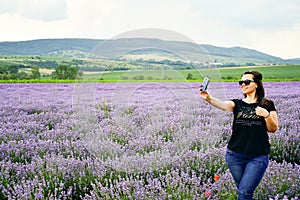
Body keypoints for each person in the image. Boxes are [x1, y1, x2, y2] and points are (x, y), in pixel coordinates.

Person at [199, 70, 278, 200]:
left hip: (258, 156)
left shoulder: (267, 104)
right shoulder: (237, 104)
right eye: (241, 82)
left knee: (245, 192)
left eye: (246, 82)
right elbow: (223, 105)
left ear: (256, 84)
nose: (243, 85)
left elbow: (273, 128)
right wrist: (208, 97)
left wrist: (266, 115)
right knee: (243, 190)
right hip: (234, 155)